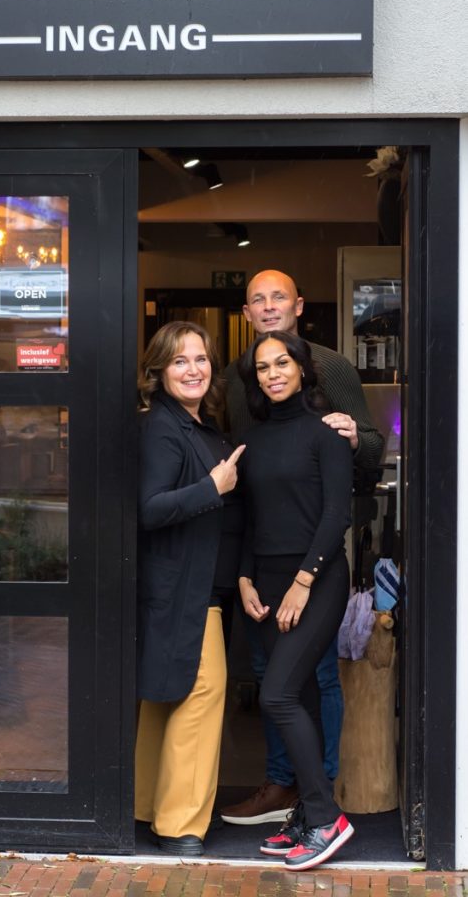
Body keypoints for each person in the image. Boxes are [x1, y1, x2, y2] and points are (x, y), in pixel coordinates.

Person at [221, 269, 384, 826]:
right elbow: (247, 499)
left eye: (278, 297)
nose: (268, 307)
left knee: (302, 684)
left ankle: (321, 797)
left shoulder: (330, 377)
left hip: (311, 568)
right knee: (277, 681)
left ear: (298, 305)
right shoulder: (239, 385)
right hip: (264, 569)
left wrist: (354, 437)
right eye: (257, 300)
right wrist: (244, 575)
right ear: (246, 314)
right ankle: (287, 790)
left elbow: (358, 470)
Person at [237, 331, 355, 870]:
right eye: (263, 367)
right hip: (266, 583)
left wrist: (304, 581)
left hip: (317, 580)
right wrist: (244, 579)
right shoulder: (253, 440)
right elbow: (247, 520)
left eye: (282, 363)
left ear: (302, 369)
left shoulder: (326, 435)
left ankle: (325, 816)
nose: (273, 373)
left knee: (278, 694)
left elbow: (337, 518)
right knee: (299, 696)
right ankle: (307, 819)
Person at [134, 321, 245, 856]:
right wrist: (212, 487)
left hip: (192, 584)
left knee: (168, 697)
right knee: (200, 694)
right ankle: (180, 824)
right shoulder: (163, 427)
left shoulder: (199, 426)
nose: (193, 369)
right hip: (185, 588)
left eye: (200, 359)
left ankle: (147, 805)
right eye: (180, 361)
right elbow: (151, 509)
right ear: (159, 371)